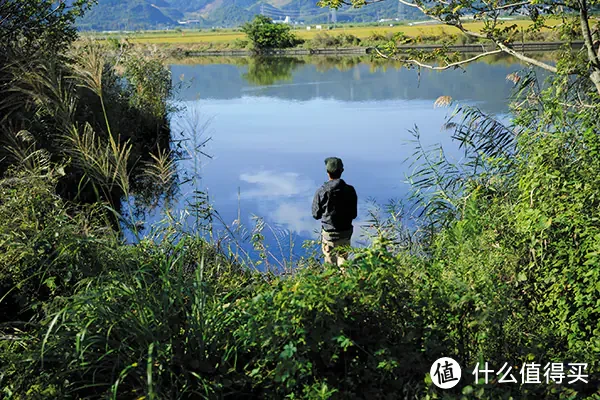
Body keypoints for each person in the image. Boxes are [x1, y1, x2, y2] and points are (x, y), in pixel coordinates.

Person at [312, 157, 358, 267]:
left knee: (330, 263)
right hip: (345, 233)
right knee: (344, 263)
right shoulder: (350, 190)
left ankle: (332, 282)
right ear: (342, 171)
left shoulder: (321, 191)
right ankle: (346, 281)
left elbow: (316, 215)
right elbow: (354, 214)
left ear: (327, 172)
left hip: (329, 234)